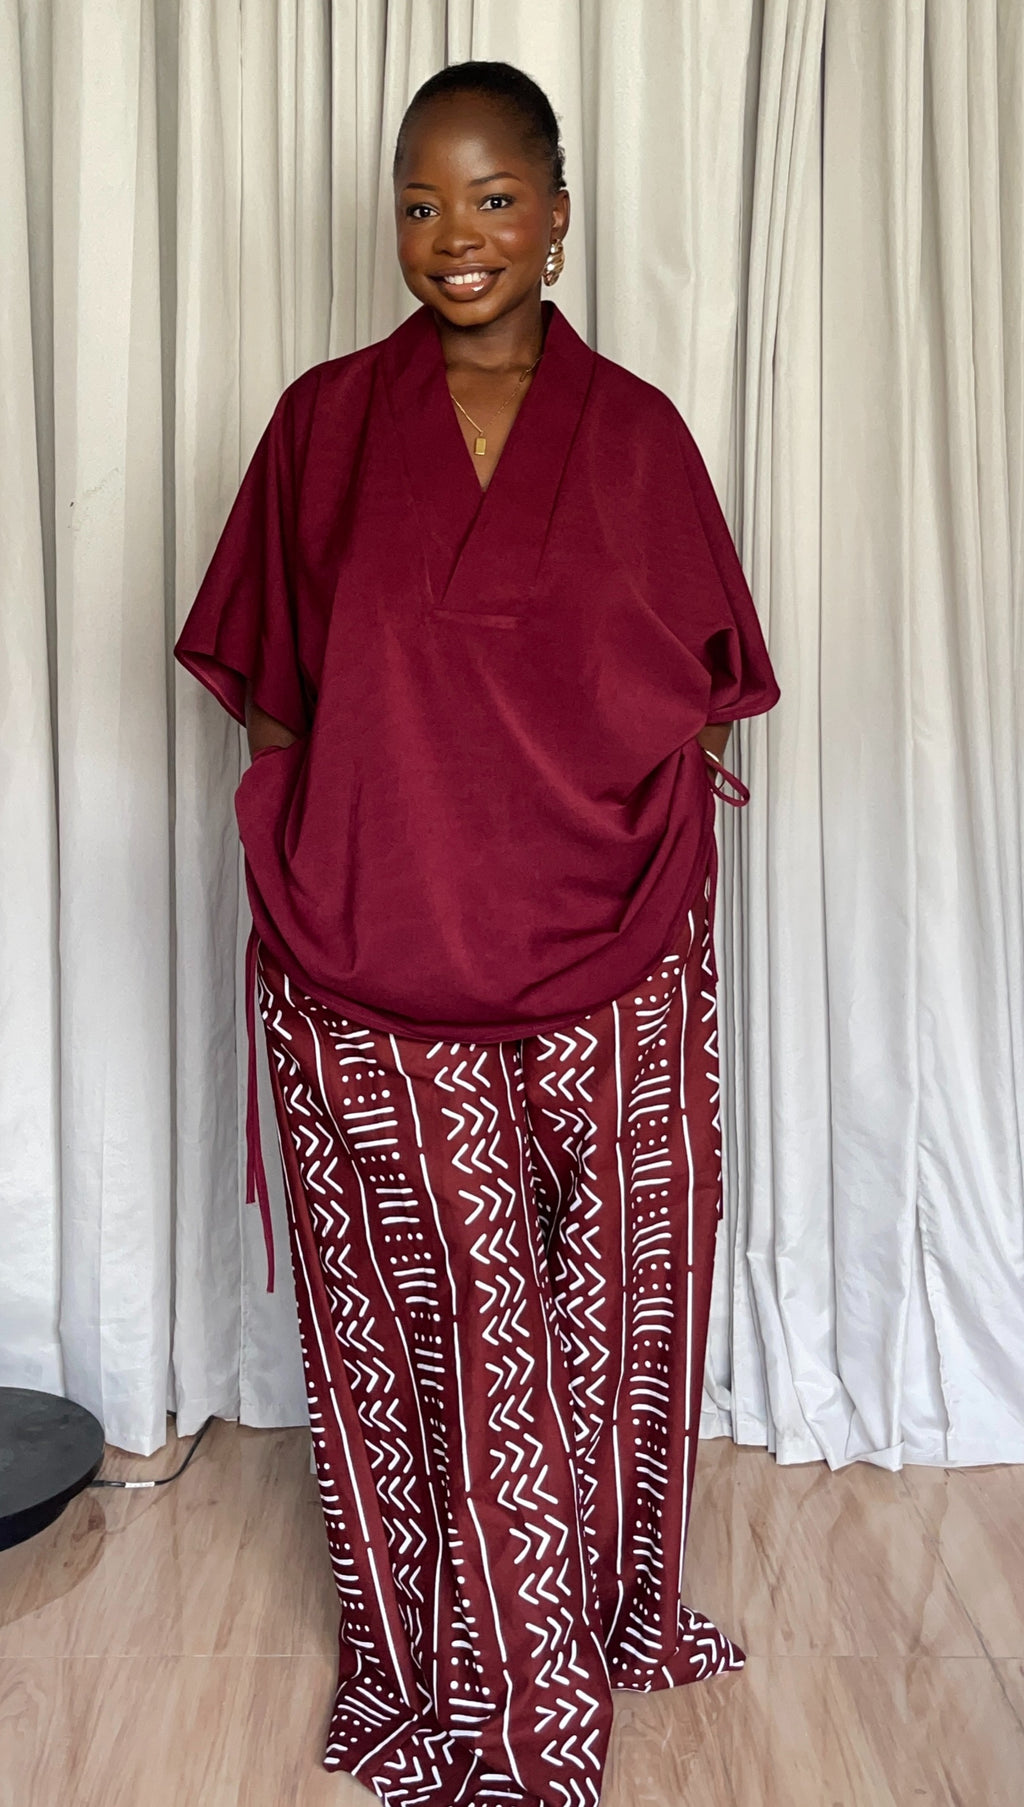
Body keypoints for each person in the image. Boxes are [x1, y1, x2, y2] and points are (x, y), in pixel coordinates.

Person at [176, 59, 778, 1807]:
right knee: (436, 1328)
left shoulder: (639, 433)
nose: (457, 234)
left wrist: (602, 826)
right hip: (374, 949)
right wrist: (316, 840)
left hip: (615, 956)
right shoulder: (322, 424)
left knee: (612, 1312)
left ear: (560, 218)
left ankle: (594, 1619)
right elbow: (274, 686)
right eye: (423, 203)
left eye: (496, 197)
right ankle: (466, 1684)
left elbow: (700, 684)